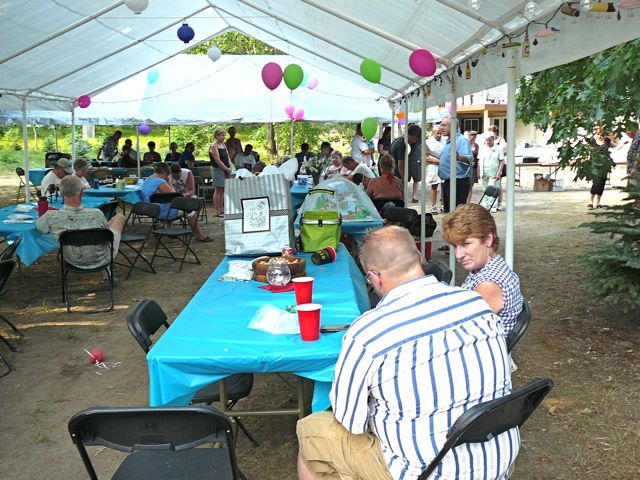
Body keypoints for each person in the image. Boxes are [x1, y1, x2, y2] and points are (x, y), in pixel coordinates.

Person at [296, 225, 517, 480]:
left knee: (311, 431)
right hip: (498, 461)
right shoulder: (476, 304)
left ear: (374, 277)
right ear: (418, 260)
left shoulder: (368, 332)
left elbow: (350, 421)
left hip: (424, 473)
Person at [442, 203, 523, 337]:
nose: (458, 255)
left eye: (466, 244)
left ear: (488, 239)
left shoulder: (489, 284)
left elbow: (463, 333)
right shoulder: (488, 267)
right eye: (455, 246)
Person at [36, 175, 125, 270]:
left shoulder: (51, 216)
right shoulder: (97, 214)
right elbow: (107, 235)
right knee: (119, 217)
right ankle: (107, 272)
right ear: (81, 193)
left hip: (71, 260)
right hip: (102, 258)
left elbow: (40, 228)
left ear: (61, 194)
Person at [141, 163, 211, 242]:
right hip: (161, 211)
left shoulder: (148, 180)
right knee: (191, 212)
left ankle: (168, 228)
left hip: (151, 209)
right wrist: (169, 182)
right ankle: (198, 234)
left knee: (169, 204)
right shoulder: (160, 182)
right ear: (166, 174)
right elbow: (175, 197)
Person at [438, 117, 472, 212]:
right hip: (448, 182)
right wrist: (430, 152)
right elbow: (445, 158)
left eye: (444, 125)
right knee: (449, 212)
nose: (441, 128)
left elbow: (469, 159)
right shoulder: (449, 141)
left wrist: (459, 157)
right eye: (441, 125)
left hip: (458, 182)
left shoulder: (461, 140)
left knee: (457, 213)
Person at [390, 124, 422, 203]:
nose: (414, 141)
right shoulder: (403, 144)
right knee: (399, 200)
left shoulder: (397, 140)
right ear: (410, 135)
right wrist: (404, 179)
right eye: (414, 139)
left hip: (392, 174)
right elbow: (401, 165)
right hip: (397, 176)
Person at [209, 128, 233, 217]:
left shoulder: (223, 144)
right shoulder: (213, 146)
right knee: (218, 189)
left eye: (224, 135)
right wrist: (226, 169)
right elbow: (218, 160)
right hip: (217, 169)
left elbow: (227, 157)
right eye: (222, 135)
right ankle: (216, 210)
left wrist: (230, 167)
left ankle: (222, 209)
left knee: (223, 189)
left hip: (226, 168)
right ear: (216, 136)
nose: (223, 137)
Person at [478, 135, 505, 211]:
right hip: (484, 171)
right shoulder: (482, 148)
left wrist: (499, 172)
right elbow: (479, 160)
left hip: (494, 171)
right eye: (487, 140)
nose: (488, 142)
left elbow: (502, 161)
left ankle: (493, 206)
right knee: (485, 189)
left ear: (493, 140)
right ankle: (485, 205)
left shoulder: (498, 148)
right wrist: (478, 172)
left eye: (490, 140)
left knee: (493, 189)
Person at [425, 125, 444, 214]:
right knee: (434, 186)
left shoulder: (445, 141)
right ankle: (433, 206)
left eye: (440, 133)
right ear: (433, 133)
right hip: (433, 167)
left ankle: (443, 204)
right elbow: (425, 157)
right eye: (437, 133)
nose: (439, 135)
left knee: (444, 186)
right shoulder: (428, 142)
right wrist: (435, 161)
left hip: (444, 166)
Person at [487, 126, 507, 211]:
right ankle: (490, 202)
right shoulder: (487, 140)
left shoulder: (501, 140)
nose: (492, 133)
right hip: (489, 166)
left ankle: (499, 202)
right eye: (490, 131)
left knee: (498, 184)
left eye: (494, 131)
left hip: (499, 165)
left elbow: (505, 151)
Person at [466, 131, 480, 203]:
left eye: (475, 135)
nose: (473, 136)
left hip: (474, 168)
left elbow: (479, 157)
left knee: (470, 186)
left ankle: (468, 202)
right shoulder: (465, 144)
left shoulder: (477, 145)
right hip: (465, 167)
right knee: (465, 185)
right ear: (468, 135)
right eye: (471, 135)